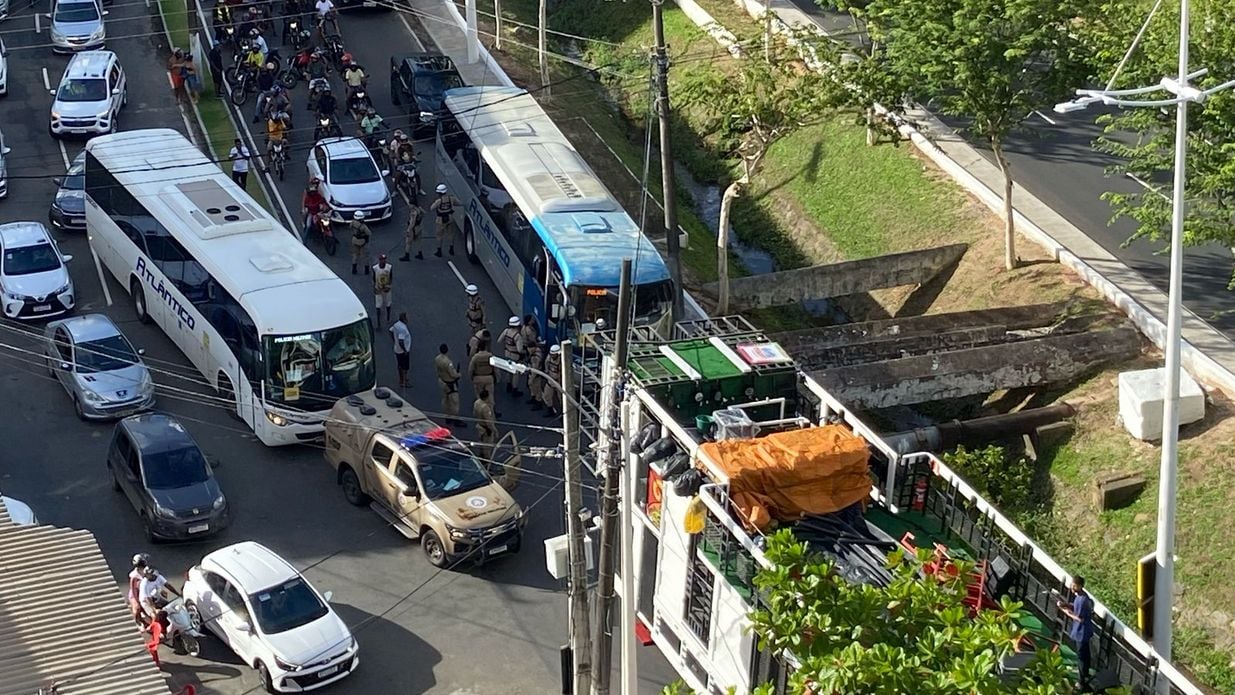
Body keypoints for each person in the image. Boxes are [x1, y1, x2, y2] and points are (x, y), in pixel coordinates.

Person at [1058, 576, 1094, 690]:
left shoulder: (1083, 600)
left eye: (1074, 585)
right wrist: (1066, 605)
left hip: (1082, 632)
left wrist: (1065, 611)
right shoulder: (1080, 597)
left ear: (1080, 586)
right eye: (1072, 584)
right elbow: (1075, 607)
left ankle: (1081, 682)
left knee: (1081, 657)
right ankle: (1085, 674)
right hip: (1083, 631)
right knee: (1085, 654)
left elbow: (1079, 618)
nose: (1071, 587)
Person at [435, 343, 465, 427]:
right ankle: (455, 419)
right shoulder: (448, 362)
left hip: (442, 381)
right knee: (454, 402)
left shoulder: (437, 359)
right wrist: (459, 374)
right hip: (450, 384)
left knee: (445, 400)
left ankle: (447, 416)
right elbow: (453, 374)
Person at [468, 335, 498, 417]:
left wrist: (471, 377)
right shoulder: (490, 356)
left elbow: (471, 369)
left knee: (479, 397)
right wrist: (497, 378)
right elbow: (495, 368)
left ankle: (480, 414)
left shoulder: (475, 357)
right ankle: (491, 413)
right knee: (490, 397)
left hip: (478, 378)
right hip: (488, 377)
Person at [497, 315, 524, 396]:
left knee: (509, 370)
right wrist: (524, 352)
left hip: (507, 353)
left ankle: (508, 385)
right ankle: (514, 389)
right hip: (515, 356)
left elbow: (499, 340)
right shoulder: (517, 336)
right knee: (515, 373)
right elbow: (519, 350)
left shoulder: (506, 331)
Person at [431, 183, 460, 257]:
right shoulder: (451, 198)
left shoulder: (439, 201)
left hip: (440, 219)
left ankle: (439, 251)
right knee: (450, 234)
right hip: (450, 217)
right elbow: (458, 203)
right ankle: (451, 249)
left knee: (439, 235)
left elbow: (432, 208)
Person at [473, 387, 497, 461]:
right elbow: (488, 421)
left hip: (479, 426)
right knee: (487, 445)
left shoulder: (476, 402)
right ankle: (487, 459)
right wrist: (494, 430)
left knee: (481, 442)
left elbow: (474, 413)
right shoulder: (485, 408)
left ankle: (481, 456)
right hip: (486, 428)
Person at [389, 312, 411, 388]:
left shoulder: (396, 324)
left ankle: (402, 380)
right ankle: (403, 381)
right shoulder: (403, 329)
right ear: (404, 319)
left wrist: (394, 341)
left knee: (400, 365)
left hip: (397, 349)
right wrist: (405, 350)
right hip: (402, 351)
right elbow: (401, 340)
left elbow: (390, 330)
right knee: (404, 366)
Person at [128, 553, 150, 626]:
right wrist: (137, 601)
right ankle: (137, 621)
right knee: (137, 608)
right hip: (135, 594)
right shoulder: (134, 576)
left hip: (144, 592)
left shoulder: (146, 571)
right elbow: (133, 589)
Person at [541, 343, 562, 417]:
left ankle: (562, 413)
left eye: (554, 355)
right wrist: (546, 371)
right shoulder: (549, 357)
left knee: (561, 398)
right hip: (550, 379)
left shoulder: (562, 361)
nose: (552, 356)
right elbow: (546, 363)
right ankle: (550, 410)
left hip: (559, 382)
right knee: (547, 395)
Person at [372, 254, 393, 326]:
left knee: (388, 303)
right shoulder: (375, 268)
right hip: (378, 287)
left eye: (384, 259)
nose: (383, 261)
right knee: (378, 305)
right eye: (382, 259)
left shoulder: (389, 267)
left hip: (387, 287)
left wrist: (389, 286)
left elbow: (390, 278)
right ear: (379, 260)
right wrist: (374, 288)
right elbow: (374, 278)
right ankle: (378, 322)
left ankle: (388, 318)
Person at [349, 211, 371, 275]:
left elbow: (350, 228)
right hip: (362, 241)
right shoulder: (363, 226)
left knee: (355, 255)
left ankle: (354, 269)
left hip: (354, 240)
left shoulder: (352, 223)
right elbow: (369, 233)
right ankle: (366, 270)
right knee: (364, 256)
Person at [525, 340, 545, 409]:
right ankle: (533, 398)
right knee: (532, 388)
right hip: (532, 372)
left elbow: (535, 369)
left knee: (537, 388)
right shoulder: (537, 351)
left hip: (535, 375)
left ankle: (538, 402)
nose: (528, 350)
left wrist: (531, 379)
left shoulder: (535, 357)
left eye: (529, 348)